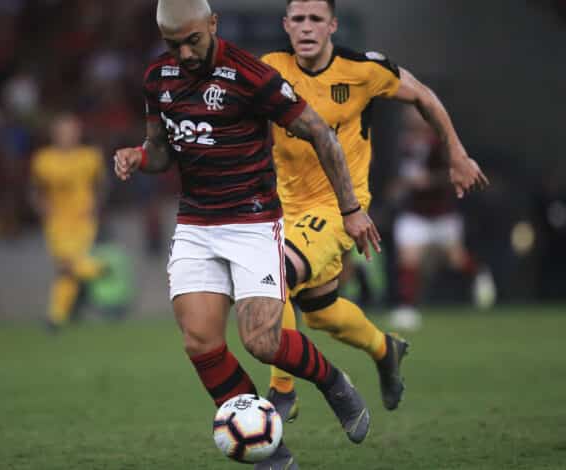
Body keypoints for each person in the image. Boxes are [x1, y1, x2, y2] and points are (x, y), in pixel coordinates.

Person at [112, 1, 382, 468]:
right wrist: (139, 157)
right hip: (197, 224)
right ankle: (269, 453)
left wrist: (351, 209)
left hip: (253, 222)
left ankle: (333, 381)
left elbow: (321, 133)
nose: (185, 52)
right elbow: (161, 151)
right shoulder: (158, 78)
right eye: (172, 44)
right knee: (199, 340)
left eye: (193, 40)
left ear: (212, 25)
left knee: (262, 341)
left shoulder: (252, 76)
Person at [261, 0, 489, 420]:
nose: (307, 28)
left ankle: (282, 391)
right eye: (299, 19)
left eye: (316, 19)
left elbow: (423, 96)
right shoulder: (269, 69)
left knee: (272, 276)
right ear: (286, 25)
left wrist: (457, 153)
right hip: (283, 208)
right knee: (321, 313)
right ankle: (386, 350)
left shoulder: (363, 69)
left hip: (340, 208)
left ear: (332, 25)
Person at [389, 107, 496, 329]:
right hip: (414, 213)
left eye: (417, 114)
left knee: (455, 259)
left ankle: (479, 273)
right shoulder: (404, 143)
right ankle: (407, 309)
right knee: (408, 258)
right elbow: (406, 175)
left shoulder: (439, 143)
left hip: (441, 213)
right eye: (409, 115)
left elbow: (452, 173)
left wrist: (429, 181)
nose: (412, 119)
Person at [29, 113, 108, 331]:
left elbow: (102, 184)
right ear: (54, 134)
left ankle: (55, 318)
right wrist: (40, 206)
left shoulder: (90, 156)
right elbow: (35, 189)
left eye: (72, 131)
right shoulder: (42, 159)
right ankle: (96, 269)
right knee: (67, 266)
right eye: (63, 131)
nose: (68, 136)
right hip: (56, 220)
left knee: (65, 266)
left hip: (83, 219)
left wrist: (97, 205)